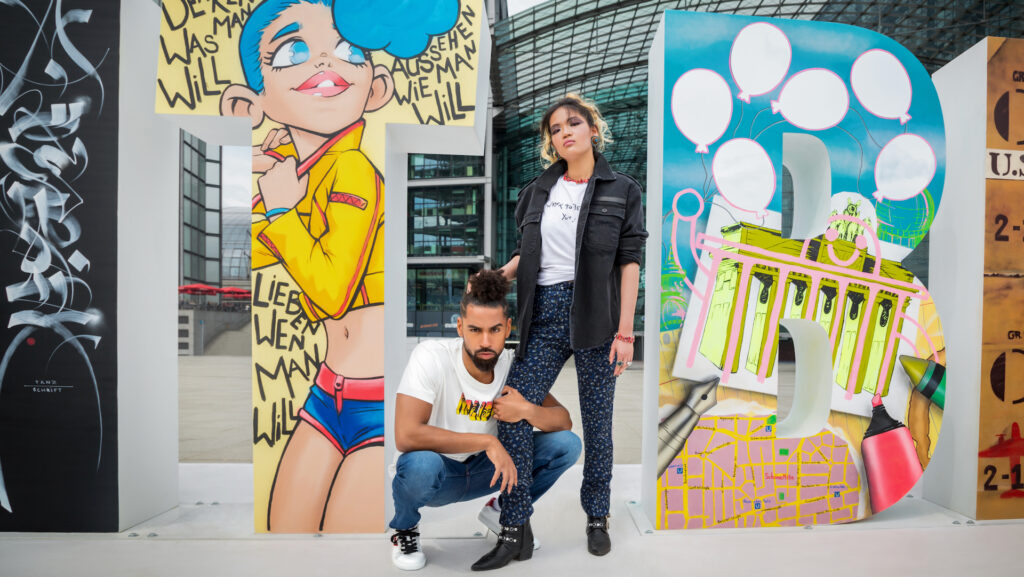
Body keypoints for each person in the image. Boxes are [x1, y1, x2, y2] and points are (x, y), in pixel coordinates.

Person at [220, 0, 459, 532]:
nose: (325, 64)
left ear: (373, 89)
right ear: (255, 98)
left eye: (349, 50)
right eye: (293, 49)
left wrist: (279, 210)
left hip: (375, 401)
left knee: (339, 544)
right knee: (286, 533)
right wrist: (265, 187)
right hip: (328, 391)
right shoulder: (299, 172)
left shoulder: (351, 167)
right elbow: (267, 248)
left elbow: (330, 290)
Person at [472, 93, 647, 569]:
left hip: (596, 317)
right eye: (555, 128)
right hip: (543, 314)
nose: (564, 131)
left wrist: (625, 331)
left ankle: (596, 517)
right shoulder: (535, 191)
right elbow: (530, 254)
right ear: (551, 142)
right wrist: (498, 278)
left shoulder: (622, 189)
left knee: (599, 425)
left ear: (593, 128)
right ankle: (514, 526)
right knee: (511, 410)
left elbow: (629, 263)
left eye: (574, 122)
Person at [390, 271, 582, 571]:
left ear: (508, 328)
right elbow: (406, 435)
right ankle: (405, 528)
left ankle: (503, 511)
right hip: (440, 473)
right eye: (475, 330)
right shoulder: (431, 356)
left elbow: (563, 422)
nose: (485, 341)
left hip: (488, 472)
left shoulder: (512, 365)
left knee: (566, 446)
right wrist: (488, 442)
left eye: (494, 330)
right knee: (420, 466)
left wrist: (527, 410)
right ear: (459, 327)